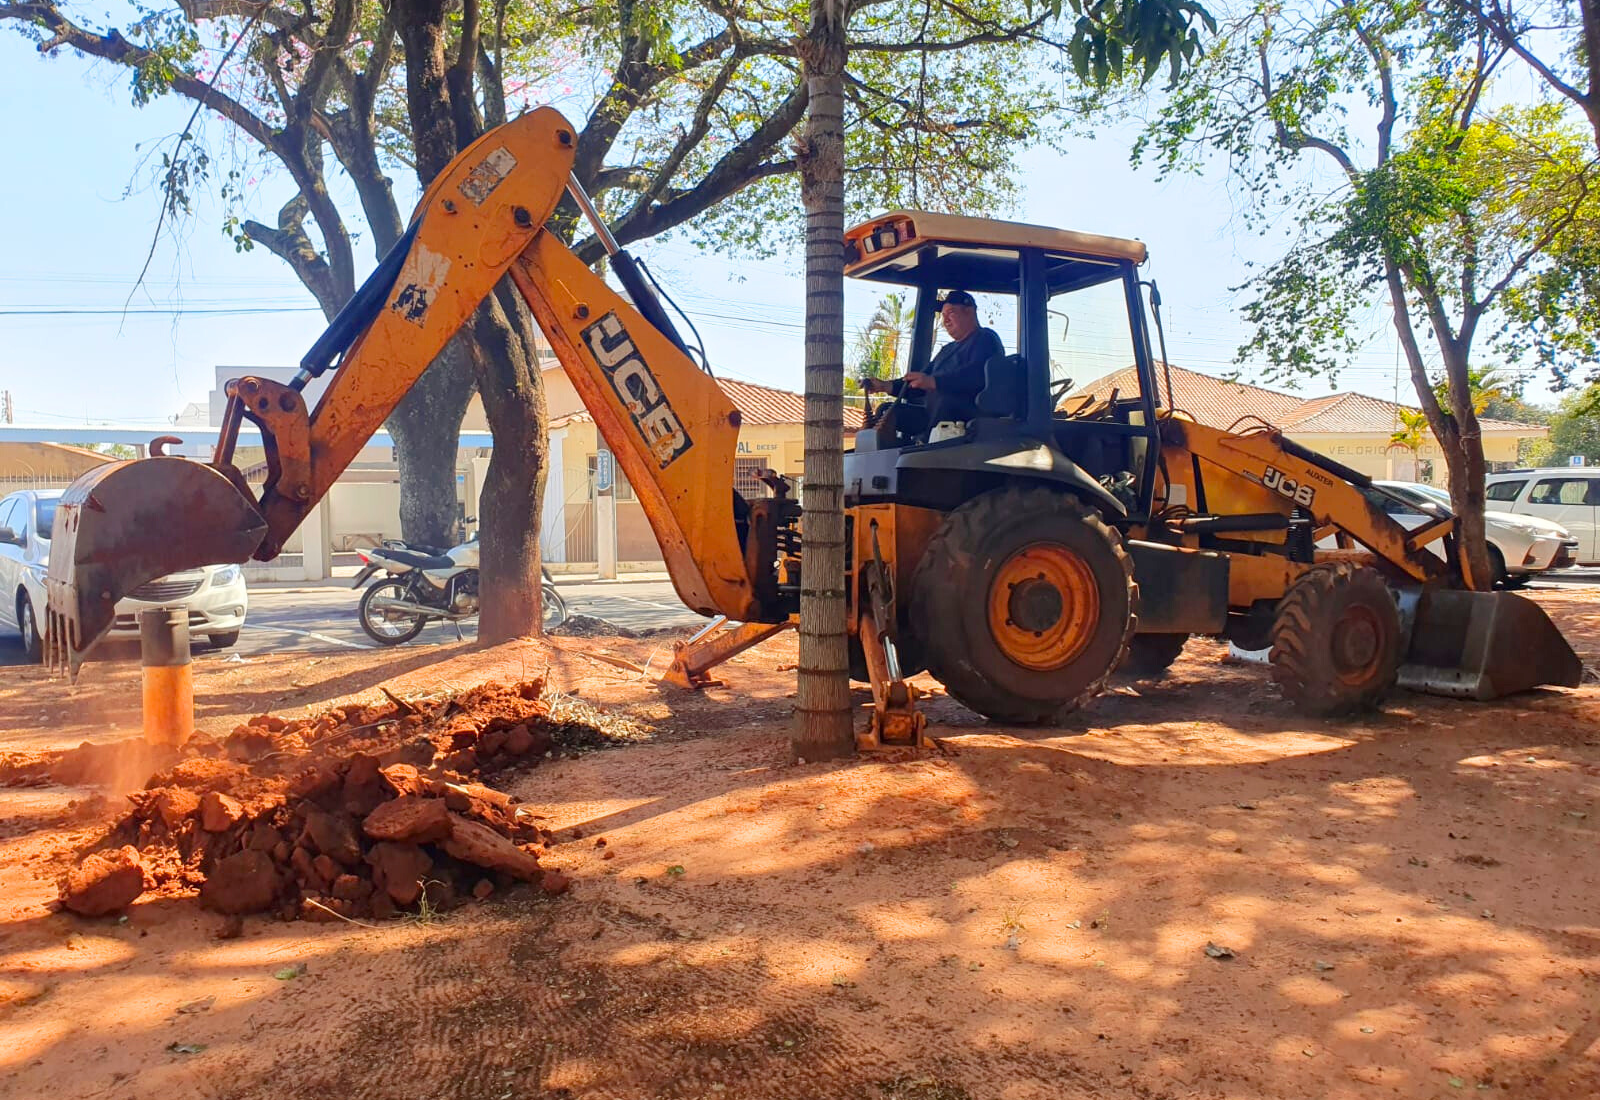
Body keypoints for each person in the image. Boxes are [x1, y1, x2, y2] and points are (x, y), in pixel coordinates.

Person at [864, 290, 1003, 437]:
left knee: (945, 401)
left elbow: (977, 375)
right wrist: (886, 386)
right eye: (943, 315)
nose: (945, 320)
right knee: (886, 411)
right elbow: (920, 381)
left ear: (969, 311)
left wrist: (935, 382)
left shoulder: (986, 339)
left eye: (951, 313)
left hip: (965, 418)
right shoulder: (947, 350)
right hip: (932, 415)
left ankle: (925, 445)